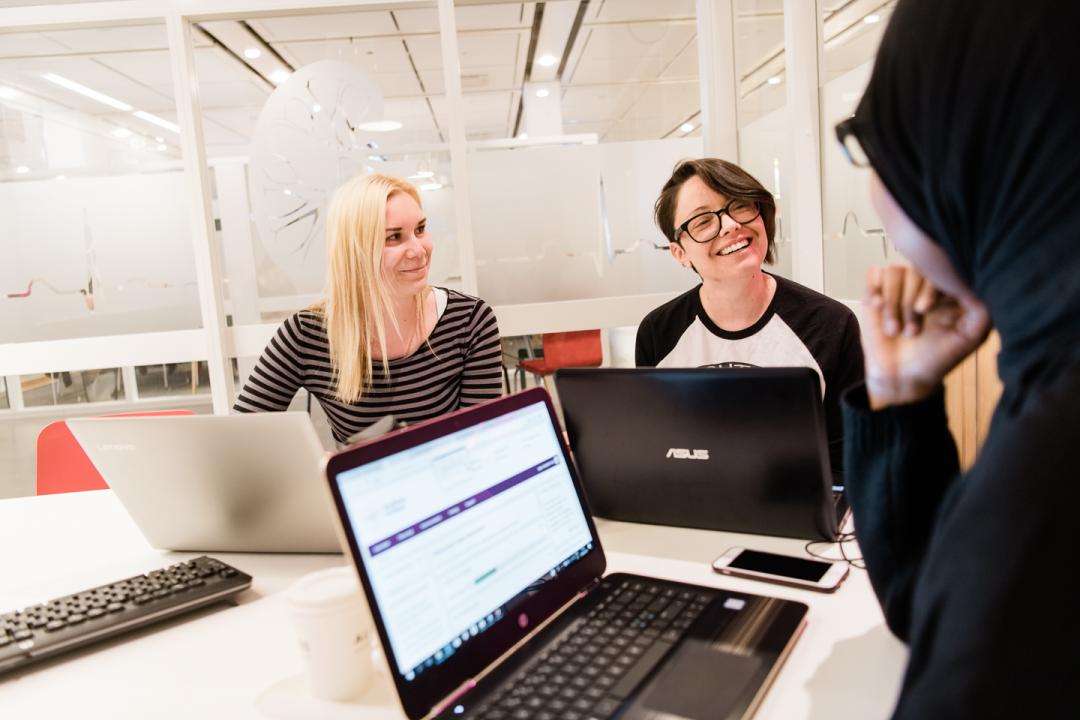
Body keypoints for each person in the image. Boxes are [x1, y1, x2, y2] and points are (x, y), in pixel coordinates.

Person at [837, 0, 1080, 715]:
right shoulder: (1050, 367)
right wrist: (899, 393)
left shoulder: (1054, 469)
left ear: (968, 152)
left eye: (880, 141)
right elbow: (941, 609)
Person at [637, 158, 864, 480]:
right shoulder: (659, 332)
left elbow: (846, 462)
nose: (730, 224)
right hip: (696, 504)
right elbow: (660, 450)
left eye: (740, 206)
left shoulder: (830, 324)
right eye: (703, 221)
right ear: (680, 254)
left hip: (801, 512)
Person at [235, 174, 503, 444]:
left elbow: (481, 444)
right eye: (394, 237)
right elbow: (240, 440)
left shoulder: (470, 320)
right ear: (357, 251)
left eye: (420, 229)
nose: (419, 250)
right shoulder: (307, 334)